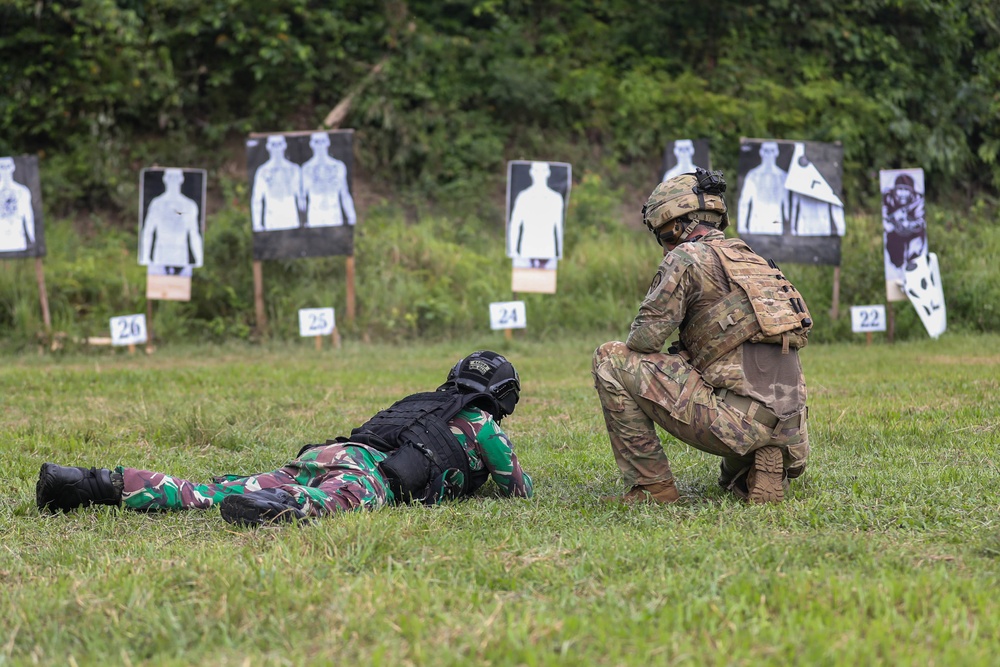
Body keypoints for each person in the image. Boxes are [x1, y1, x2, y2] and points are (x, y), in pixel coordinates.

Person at [36, 351, 533, 526]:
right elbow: (517, 489)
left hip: (333, 452)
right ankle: (281, 504)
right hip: (372, 475)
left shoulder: (420, 399)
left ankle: (92, 484)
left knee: (211, 492)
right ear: (501, 397)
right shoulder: (482, 425)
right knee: (324, 505)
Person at [593, 169, 811, 504]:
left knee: (610, 358)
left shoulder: (687, 257)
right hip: (793, 430)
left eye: (662, 235)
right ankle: (764, 462)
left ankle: (652, 488)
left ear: (674, 226)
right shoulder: (758, 262)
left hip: (735, 424)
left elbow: (644, 341)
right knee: (730, 483)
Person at [140, 169, 203, 267]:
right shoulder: (157, 204)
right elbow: (148, 231)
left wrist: (199, 259)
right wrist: (145, 257)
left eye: (176, 177)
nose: (173, 180)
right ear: (165, 179)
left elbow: (194, 234)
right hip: (161, 252)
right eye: (170, 177)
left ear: (181, 179)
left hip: (180, 253)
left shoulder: (189, 205)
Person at [507, 161, 564, 263]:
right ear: (531, 172)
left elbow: (559, 227)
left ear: (548, 173)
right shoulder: (523, 197)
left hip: (548, 251)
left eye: (543, 171)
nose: (540, 174)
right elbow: (515, 225)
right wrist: (513, 251)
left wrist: (559, 252)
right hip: (526, 251)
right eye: (537, 170)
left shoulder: (555, 198)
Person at [300, 132, 357, 228]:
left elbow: (344, 194)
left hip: (334, 214)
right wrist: (302, 220)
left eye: (322, 141)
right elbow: (302, 197)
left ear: (328, 142)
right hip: (315, 215)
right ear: (312, 144)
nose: (320, 145)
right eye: (317, 142)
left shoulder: (338, 166)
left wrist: (351, 216)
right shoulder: (306, 168)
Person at [250, 135, 303, 232]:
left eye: (279, 144)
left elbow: (300, 197)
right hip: (271, 219)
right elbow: (257, 200)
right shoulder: (262, 171)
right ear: (268, 147)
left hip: (291, 218)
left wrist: (304, 222)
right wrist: (257, 224)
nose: (277, 148)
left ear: (284, 145)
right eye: (273, 145)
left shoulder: (294, 169)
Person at [737, 141, 788, 235]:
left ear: (776, 152)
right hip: (757, 222)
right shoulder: (753, 175)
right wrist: (742, 226)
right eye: (766, 151)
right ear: (761, 152)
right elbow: (744, 202)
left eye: (772, 151)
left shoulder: (782, 176)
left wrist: (789, 227)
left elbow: (786, 203)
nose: (769, 154)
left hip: (775, 222)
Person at [882, 173, 926, 278]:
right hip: (895, 235)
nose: (902, 193)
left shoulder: (917, 200)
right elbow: (885, 221)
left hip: (914, 234)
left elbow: (921, 222)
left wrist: (909, 223)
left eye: (906, 190)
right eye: (900, 189)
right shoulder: (888, 199)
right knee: (895, 259)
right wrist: (894, 222)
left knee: (916, 259)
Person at [0, 156, 35, 253]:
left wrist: (33, 239)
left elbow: (28, 217)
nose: (5, 170)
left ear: (13, 167)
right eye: (2, 167)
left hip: (17, 239)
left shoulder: (22, 191)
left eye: (7, 166)